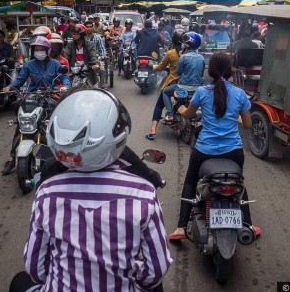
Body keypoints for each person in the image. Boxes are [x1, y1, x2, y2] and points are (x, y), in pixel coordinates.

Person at [9, 89, 173, 292]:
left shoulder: (46, 193)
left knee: (19, 282)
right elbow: (156, 271)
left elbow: (36, 270)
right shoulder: (144, 194)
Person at [168, 52, 260, 241]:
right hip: (233, 152)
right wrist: (237, 118)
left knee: (190, 182)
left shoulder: (202, 92)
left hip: (204, 151)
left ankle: (181, 227)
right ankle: (248, 224)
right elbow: (248, 124)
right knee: (238, 182)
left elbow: (189, 115)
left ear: (210, 72)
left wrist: (180, 109)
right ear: (230, 70)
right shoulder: (240, 94)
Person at [1, 37, 71, 175]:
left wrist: (65, 87)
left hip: (50, 96)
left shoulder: (55, 64)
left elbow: (64, 78)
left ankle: (63, 153)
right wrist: (9, 87)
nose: (39, 52)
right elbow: (20, 80)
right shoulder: (29, 65)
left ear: (47, 50)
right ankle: (11, 157)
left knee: (57, 122)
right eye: (36, 50)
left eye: (41, 49)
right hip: (32, 96)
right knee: (22, 124)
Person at [145, 29, 185, 140]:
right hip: (188, 84)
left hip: (173, 82)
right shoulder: (190, 54)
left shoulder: (170, 53)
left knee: (159, 105)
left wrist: (154, 67)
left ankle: (153, 131)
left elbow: (161, 67)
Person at [161, 32, 204, 123]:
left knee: (165, 92)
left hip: (183, 87)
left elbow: (178, 72)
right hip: (198, 88)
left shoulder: (183, 57)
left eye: (184, 43)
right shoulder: (201, 58)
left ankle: (169, 114)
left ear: (187, 44)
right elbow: (201, 73)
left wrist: (181, 56)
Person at [83, 19, 107, 89]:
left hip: (96, 60)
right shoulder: (83, 38)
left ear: (92, 28)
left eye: (90, 27)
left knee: (102, 70)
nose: (89, 28)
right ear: (85, 28)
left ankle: (102, 86)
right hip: (86, 60)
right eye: (87, 27)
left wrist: (102, 56)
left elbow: (102, 49)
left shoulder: (98, 38)